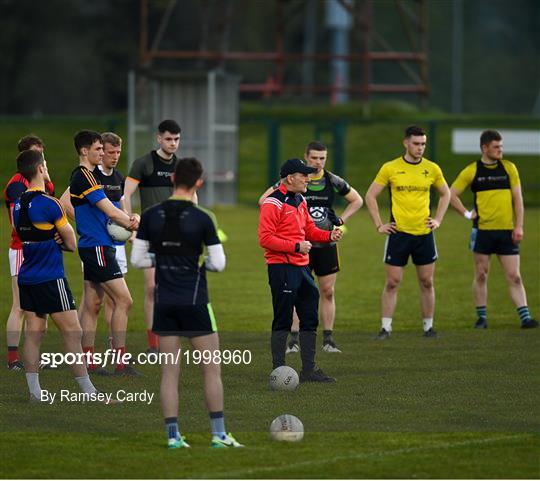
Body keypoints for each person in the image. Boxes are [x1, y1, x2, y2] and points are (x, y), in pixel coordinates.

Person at [131, 157, 243, 449]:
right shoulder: (203, 217)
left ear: (172, 180)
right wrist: (195, 265)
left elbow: (138, 259)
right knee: (211, 369)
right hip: (195, 302)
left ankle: (173, 437)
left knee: (169, 372)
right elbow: (218, 264)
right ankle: (218, 435)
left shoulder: (152, 216)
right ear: (199, 183)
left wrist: (163, 259)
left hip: (164, 303)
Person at [259, 141, 363, 353]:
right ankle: (289, 348)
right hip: (291, 253)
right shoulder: (283, 192)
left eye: (322, 158)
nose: (317, 163)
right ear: (306, 157)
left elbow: (356, 200)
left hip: (318, 247)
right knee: (291, 302)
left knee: (322, 295)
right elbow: (265, 218)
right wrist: (294, 238)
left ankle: (323, 346)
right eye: (314, 158)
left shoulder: (324, 184)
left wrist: (335, 226)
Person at [13, 149, 100, 401]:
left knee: (34, 333)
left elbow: (26, 233)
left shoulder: (19, 204)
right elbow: (71, 243)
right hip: (50, 278)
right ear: (41, 169)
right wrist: (59, 235)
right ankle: (88, 392)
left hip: (26, 276)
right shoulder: (50, 204)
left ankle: (35, 393)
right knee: (73, 332)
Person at [62, 130, 140, 376]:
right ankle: (119, 362)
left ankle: (90, 361)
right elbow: (111, 211)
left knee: (95, 302)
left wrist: (129, 218)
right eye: (99, 149)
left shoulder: (96, 176)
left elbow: (116, 209)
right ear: (85, 151)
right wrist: (130, 222)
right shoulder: (84, 176)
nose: (105, 153)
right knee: (124, 300)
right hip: (96, 247)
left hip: (100, 245)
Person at [259, 158, 343, 383]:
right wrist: (296, 246)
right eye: (303, 174)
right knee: (283, 320)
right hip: (282, 269)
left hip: (302, 268)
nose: (308, 178)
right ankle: (278, 371)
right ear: (290, 178)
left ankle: (309, 369)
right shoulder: (272, 203)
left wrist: (328, 235)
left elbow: (309, 229)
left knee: (309, 318)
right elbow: (265, 239)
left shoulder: (301, 200)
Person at [365, 125, 450, 339]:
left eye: (423, 144)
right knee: (392, 282)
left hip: (424, 234)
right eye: (416, 143)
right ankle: (385, 328)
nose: (420, 148)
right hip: (398, 234)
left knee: (427, 282)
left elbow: (445, 194)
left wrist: (438, 219)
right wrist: (379, 224)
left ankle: (428, 327)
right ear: (406, 143)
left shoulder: (432, 169)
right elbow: (370, 196)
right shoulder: (390, 168)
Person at [449, 129, 538, 329]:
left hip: (507, 232)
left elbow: (518, 200)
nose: (501, 150)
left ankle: (525, 317)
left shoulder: (509, 168)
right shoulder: (472, 170)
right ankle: (482, 318)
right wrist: (466, 213)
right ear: (484, 148)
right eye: (496, 147)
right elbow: (451, 194)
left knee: (515, 276)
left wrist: (519, 226)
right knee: (481, 274)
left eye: (501, 146)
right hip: (482, 232)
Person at [124, 119, 182, 355]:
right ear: (159, 138)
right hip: (148, 235)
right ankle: (153, 344)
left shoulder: (181, 167)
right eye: (168, 138)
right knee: (151, 288)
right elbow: (126, 195)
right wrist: (130, 224)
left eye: (177, 139)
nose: (173, 143)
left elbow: (192, 198)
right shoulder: (143, 164)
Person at [4, 135, 55, 370]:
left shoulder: (42, 181)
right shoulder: (17, 184)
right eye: (37, 152)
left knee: (36, 307)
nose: (41, 157)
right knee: (20, 305)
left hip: (39, 249)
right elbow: (18, 222)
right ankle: (13, 359)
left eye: (42, 152)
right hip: (21, 249)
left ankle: (31, 357)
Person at [92, 132, 128, 345]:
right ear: (101, 151)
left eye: (118, 152)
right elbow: (65, 202)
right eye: (110, 152)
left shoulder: (118, 177)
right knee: (95, 302)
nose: (115, 156)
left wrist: (129, 226)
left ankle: (115, 347)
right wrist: (88, 227)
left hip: (118, 245)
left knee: (116, 300)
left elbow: (122, 209)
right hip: (97, 245)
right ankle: (85, 352)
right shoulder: (90, 176)